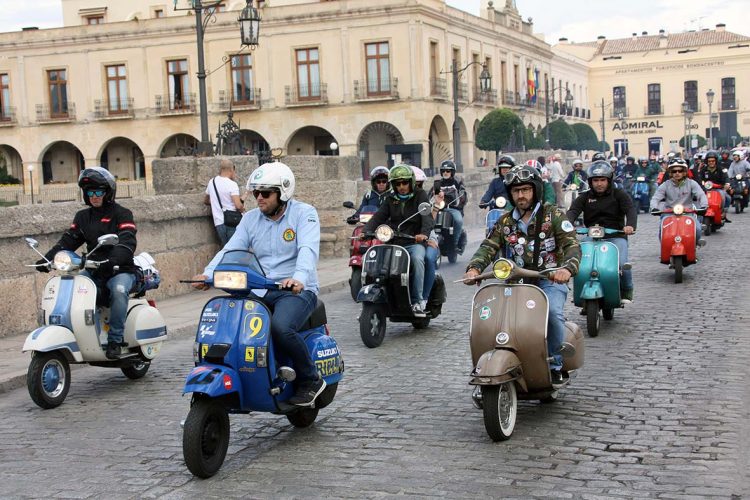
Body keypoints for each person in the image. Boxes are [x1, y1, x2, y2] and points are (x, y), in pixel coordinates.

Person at [192, 162, 326, 407]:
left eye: (266, 193)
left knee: (281, 327)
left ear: (282, 193)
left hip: (295, 291)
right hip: (261, 289)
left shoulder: (304, 213)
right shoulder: (250, 219)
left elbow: (308, 249)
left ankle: (310, 379)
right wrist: (208, 274)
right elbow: (231, 249)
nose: (259, 198)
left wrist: (299, 278)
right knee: (230, 324)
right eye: (256, 193)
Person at [462, 165, 581, 387]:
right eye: (516, 191)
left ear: (535, 190)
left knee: (553, 313)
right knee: (492, 320)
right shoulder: (505, 222)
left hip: (549, 279)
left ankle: (555, 364)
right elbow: (488, 246)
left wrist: (567, 269)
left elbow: (572, 244)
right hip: (515, 282)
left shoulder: (553, 215)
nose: (521, 195)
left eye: (526, 190)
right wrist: (475, 268)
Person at [36, 167, 138, 359]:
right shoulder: (82, 217)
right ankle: (79, 335)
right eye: (90, 192)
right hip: (93, 270)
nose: (94, 196)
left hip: (119, 269)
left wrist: (113, 260)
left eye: (99, 191)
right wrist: (47, 259)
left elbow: (127, 241)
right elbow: (68, 240)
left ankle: (115, 340)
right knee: (74, 288)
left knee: (118, 290)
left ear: (108, 192)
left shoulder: (123, 214)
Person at [363, 164, 435, 317]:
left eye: (405, 183)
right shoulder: (391, 198)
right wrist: (366, 231)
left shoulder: (420, 195)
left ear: (411, 181)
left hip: (414, 242)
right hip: (395, 241)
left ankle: (417, 301)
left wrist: (423, 234)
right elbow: (379, 217)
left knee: (417, 259)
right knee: (378, 263)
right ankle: (379, 298)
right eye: (397, 183)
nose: (401, 186)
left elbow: (427, 218)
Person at [566, 160, 637, 302]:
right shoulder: (585, 197)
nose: (599, 184)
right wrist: (567, 225)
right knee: (578, 262)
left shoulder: (619, 194)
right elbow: (573, 211)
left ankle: (627, 289)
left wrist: (629, 225)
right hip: (591, 237)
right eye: (596, 180)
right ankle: (578, 291)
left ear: (609, 180)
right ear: (590, 182)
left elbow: (630, 210)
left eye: (603, 180)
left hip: (616, 235)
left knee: (622, 264)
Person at [650, 160, 708, 242]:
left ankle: (694, 244)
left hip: (688, 213)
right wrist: (654, 207)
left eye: (680, 171)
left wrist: (704, 206)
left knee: (698, 230)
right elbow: (656, 198)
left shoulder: (691, 183)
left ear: (684, 172)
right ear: (670, 173)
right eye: (674, 171)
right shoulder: (665, 185)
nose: (677, 173)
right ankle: (666, 249)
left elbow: (701, 195)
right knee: (662, 233)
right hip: (668, 214)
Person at [204, 159, 243, 246]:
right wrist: (243, 209)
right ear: (231, 170)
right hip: (232, 222)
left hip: (218, 223)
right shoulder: (232, 184)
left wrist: (215, 203)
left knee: (225, 249)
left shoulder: (212, 182)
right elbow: (238, 205)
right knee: (235, 249)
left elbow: (206, 200)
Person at [437, 160, 467, 253]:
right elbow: (431, 195)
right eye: (444, 171)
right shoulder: (437, 183)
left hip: (453, 207)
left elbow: (463, 194)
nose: (445, 173)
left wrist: (461, 199)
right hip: (438, 208)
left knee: (458, 221)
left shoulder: (457, 182)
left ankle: (455, 243)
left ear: (452, 172)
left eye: (448, 171)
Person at [699, 150, 731, 222]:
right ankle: (701, 212)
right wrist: (701, 184)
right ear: (707, 161)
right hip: (706, 189)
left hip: (719, 189)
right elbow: (699, 179)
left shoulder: (721, 169)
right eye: (709, 161)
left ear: (716, 161)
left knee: (727, 197)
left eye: (713, 161)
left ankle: (722, 212)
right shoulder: (703, 170)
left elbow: (726, 178)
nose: (711, 162)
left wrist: (727, 184)